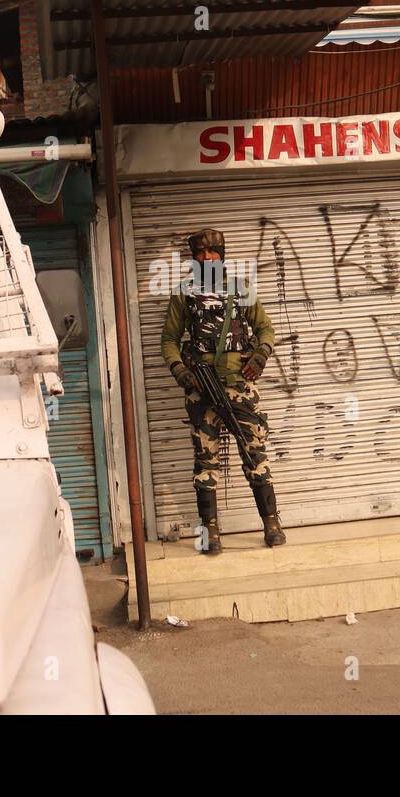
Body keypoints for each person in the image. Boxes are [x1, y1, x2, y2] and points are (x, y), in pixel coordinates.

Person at [160, 228, 286, 555]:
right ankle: (209, 534)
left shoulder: (240, 289)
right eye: (200, 253)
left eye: (212, 252)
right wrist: (181, 372)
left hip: (240, 387)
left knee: (254, 454)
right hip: (201, 390)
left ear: (222, 254)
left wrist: (260, 356)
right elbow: (170, 341)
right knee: (205, 462)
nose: (206, 258)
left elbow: (265, 328)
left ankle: (271, 523)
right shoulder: (185, 293)